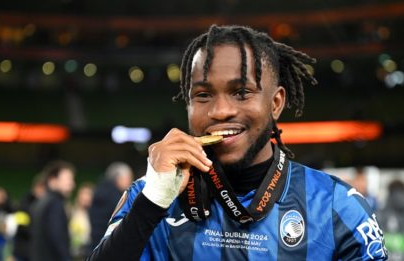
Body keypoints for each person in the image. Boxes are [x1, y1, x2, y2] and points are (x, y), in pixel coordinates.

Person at [88, 25, 387, 260]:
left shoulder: (338, 207)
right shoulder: (150, 197)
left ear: (276, 103)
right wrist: (151, 204)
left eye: (241, 92)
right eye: (203, 95)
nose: (220, 111)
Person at [30, 160, 76, 261]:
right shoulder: (55, 204)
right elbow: (57, 238)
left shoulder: (41, 202)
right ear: (53, 180)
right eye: (68, 179)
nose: (72, 184)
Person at [89, 162, 133, 250]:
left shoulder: (101, 190)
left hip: (97, 242)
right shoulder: (115, 197)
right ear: (119, 178)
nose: (131, 182)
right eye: (129, 178)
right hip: (107, 244)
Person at [13, 173, 46, 261]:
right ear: (35, 187)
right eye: (40, 187)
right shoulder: (24, 204)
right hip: (23, 250)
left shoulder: (44, 204)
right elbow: (21, 226)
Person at [69, 182, 94, 260]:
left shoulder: (94, 216)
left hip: (88, 253)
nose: (85, 197)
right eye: (83, 194)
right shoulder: (70, 211)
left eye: (88, 194)